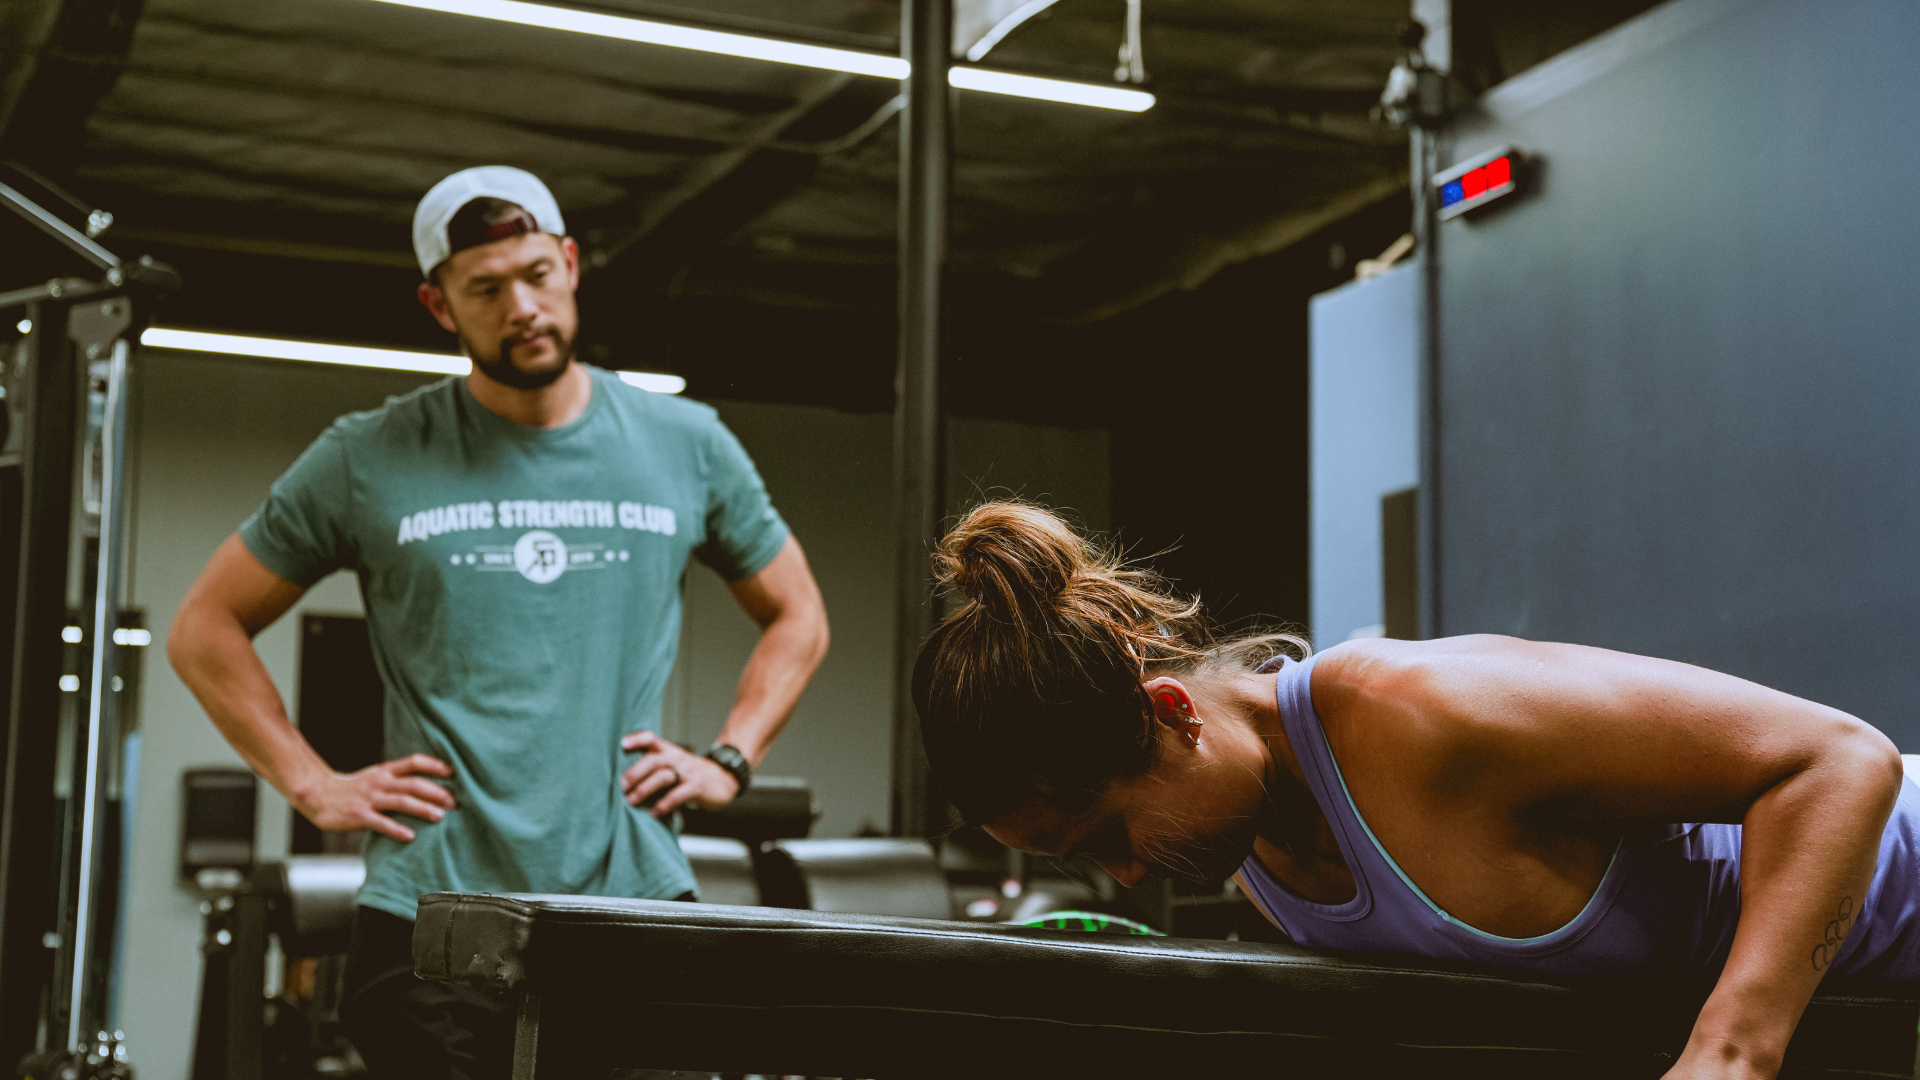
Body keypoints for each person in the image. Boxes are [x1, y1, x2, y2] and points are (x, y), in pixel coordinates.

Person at [169, 165, 830, 1079]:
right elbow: (205, 627)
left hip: (631, 904)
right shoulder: (368, 456)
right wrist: (314, 785)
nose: (521, 306)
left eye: (536, 275)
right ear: (439, 306)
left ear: (569, 264)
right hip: (431, 917)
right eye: (485, 289)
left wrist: (728, 761)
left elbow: (797, 612)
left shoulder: (688, 445)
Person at [912, 500, 1918, 1080]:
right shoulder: (1250, 840)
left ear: (1172, 714)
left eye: (1110, 835)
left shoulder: (1414, 713)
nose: (1126, 875)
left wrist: (1732, 1053)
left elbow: (1836, 758)